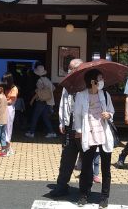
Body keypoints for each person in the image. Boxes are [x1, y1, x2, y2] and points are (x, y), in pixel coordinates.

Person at [73, 69, 115, 208]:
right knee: (86, 166)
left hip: (103, 132)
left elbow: (111, 111)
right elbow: (77, 115)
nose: (102, 81)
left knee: (106, 167)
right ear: (92, 81)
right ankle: (84, 194)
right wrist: (78, 131)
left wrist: (108, 115)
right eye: (100, 78)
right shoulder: (81, 95)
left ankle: (104, 196)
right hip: (88, 133)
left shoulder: (105, 94)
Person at [49, 58, 84, 198]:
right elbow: (63, 103)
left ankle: (84, 188)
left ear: (79, 68)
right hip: (69, 125)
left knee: (86, 157)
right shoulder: (67, 83)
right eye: (69, 68)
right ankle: (61, 185)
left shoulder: (87, 83)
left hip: (83, 126)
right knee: (67, 157)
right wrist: (62, 122)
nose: (69, 70)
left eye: (71, 68)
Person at [26, 64, 57, 138]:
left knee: (35, 116)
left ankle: (31, 132)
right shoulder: (47, 80)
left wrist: (32, 100)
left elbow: (38, 93)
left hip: (41, 101)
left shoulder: (39, 81)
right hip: (48, 101)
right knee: (45, 117)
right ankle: (51, 132)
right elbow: (53, 88)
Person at [4, 73, 19, 155]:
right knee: (3, 127)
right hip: (3, 108)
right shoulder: (6, 88)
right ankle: (5, 147)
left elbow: (11, 101)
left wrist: (1, 101)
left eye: (6, 80)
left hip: (9, 108)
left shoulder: (14, 89)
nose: (4, 82)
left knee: (8, 128)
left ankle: (8, 147)